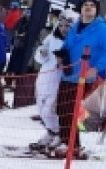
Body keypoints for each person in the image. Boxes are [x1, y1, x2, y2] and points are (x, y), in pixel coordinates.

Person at [53, 0, 106, 159]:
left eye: (92, 5)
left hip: (84, 78)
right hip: (68, 74)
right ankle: (64, 140)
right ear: (81, 9)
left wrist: (96, 68)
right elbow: (67, 46)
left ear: (96, 9)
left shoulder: (101, 29)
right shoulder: (76, 26)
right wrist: (60, 56)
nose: (88, 7)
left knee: (70, 110)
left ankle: (73, 146)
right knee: (61, 108)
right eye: (86, 5)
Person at [29, 10, 74, 150]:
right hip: (44, 76)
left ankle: (58, 133)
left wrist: (64, 62)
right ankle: (50, 132)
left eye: (67, 26)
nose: (64, 29)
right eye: (61, 25)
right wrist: (42, 54)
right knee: (41, 108)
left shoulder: (72, 41)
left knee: (50, 108)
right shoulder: (51, 38)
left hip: (58, 79)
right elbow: (39, 55)